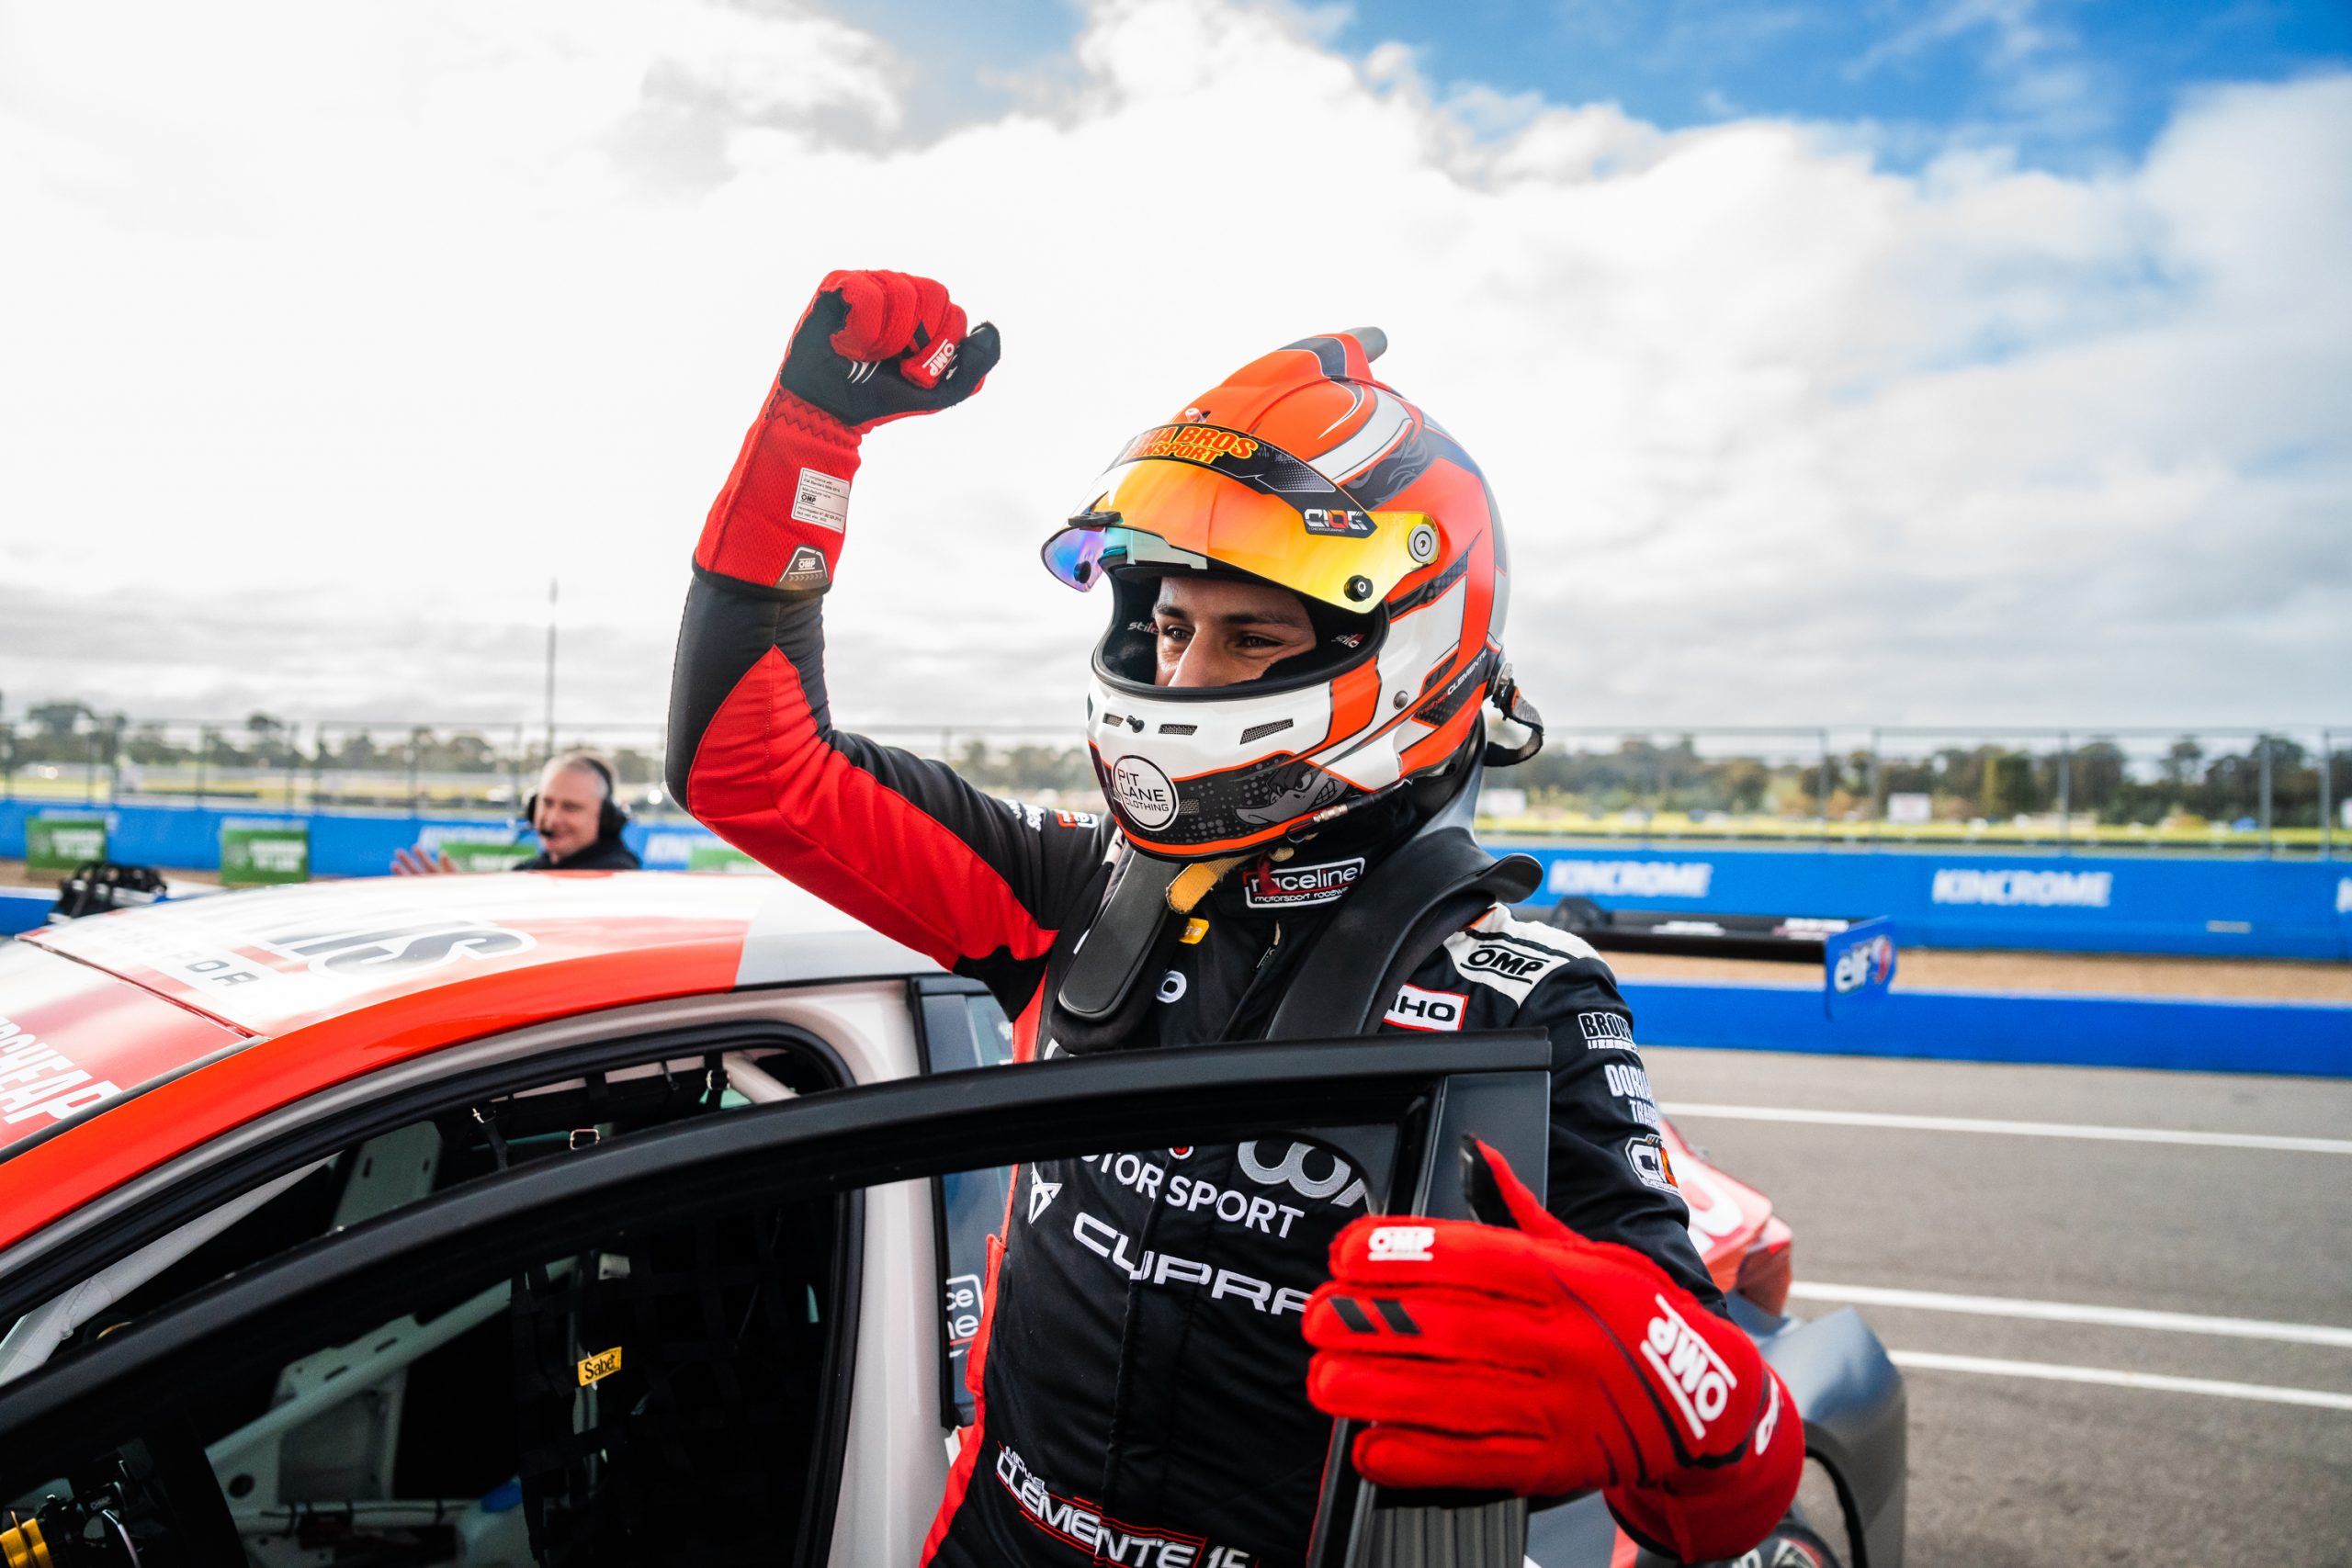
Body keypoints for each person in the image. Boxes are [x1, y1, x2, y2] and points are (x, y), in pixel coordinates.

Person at [666, 271, 1800, 1566]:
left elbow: (1711, 1425)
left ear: (1413, 647)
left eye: (1251, 636)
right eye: (1167, 625)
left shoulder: (1518, 996)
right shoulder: (1077, 890)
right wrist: (814, 441)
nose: (1183, 673)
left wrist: (1702, 1416)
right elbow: (747, 767)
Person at [391, 750, 641, 874]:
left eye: (571, 807)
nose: (552, 818)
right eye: (547, 803)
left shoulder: (616, 876)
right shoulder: (529, 870)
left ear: (608, 818)